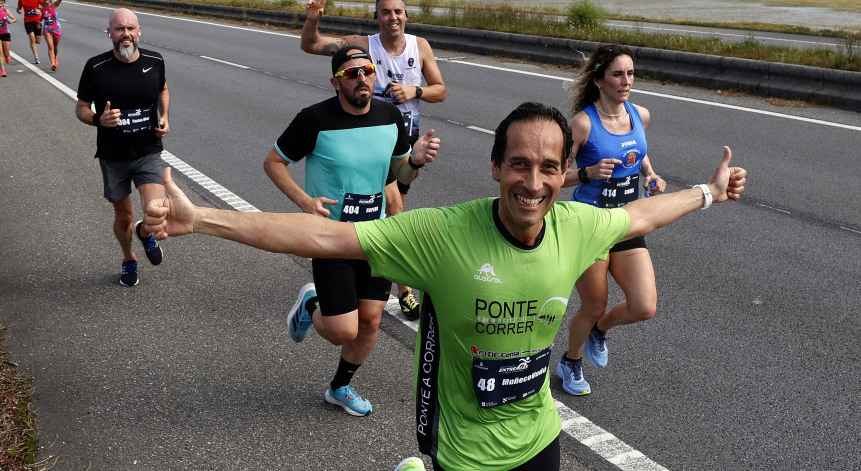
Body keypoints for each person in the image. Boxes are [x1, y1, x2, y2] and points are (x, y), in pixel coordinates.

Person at [141, 102, 747, 470]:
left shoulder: (579, 225)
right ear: (495, 168)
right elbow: (324, 239)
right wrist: (207, 220)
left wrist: (709, 193)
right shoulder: (442, 237)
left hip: (539, 436)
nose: (532, 182)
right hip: (464, 448)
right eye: (518, 164)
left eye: (547, 168)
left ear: (565, 174)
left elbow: (642, 215)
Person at [265, 45, 439, 417]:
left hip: (375, 238)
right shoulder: (314, 120)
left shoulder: (390, 115)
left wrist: (417, 162)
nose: (362, 78)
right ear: (336, 82)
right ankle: (310, 303)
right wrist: (304, 200)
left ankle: (339, 387)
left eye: (367, 70)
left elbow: (400, 174)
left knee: (371, 321)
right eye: (351, 73)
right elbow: (274, 162)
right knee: (343, 331)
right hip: (330, 236)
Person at [300, 0, 447, 320]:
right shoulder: (362, 45)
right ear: (376, 17)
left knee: (383, 211)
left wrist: (414, 92)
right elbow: (310, 44)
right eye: (386, 12)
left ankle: (354, 272)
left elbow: (440, 89)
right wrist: (313, 20)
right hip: (367, 138)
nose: (392, 17)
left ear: (406, 16)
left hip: (403, 139)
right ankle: (403, 291)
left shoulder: (419, 46)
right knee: (393, 212)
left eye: (398, 11)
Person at [555, 44, 667, 396]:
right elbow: (555, 176)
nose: (626, 81)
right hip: (590, 226)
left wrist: (650, 174)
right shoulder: (583, 123)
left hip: (627, 222)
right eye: (618, 74)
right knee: (593, 303)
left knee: (644, 305)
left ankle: (600, 329)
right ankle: (571, 360)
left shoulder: (640, 115)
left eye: (631, 73)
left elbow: (639, 155)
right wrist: (587, 173)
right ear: (600, 79)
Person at [74, 8, 169, 287]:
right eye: (119, 29)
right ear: (109, 33)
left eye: (130, 28)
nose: (125, 34)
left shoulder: (154, 60)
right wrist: (98, 119)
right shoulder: (96, 67)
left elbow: (163, 89)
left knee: (155, 211)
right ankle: (129, 258)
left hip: (147, 151)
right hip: (113, 155)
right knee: (123, 215)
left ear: (139, 31)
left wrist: (165, 116)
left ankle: (144, 231)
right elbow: (80, 108)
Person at [39, 0, 60, 71]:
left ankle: (55, 56)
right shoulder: (43, 8)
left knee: (55, 47)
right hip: (47, 30)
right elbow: (43, 16)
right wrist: (39, 22)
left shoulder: (54, 5)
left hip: (56, 30)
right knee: (51, 47)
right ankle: (53, 64)